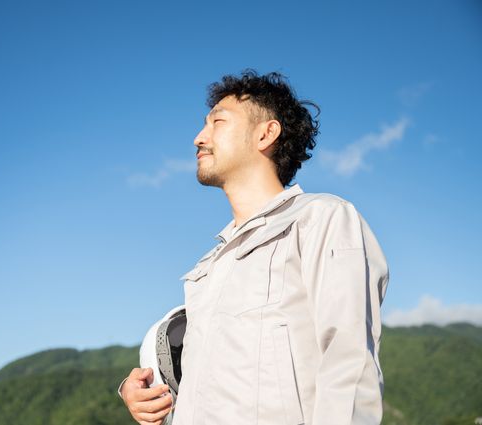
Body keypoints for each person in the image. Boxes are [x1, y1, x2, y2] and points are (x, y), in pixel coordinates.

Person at [119, 70, 389, 425]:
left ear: (266, 134)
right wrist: (139, 393)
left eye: (217, 122)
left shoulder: (320, 219)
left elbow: (349, 364)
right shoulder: (210, 265)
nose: (199, 137)